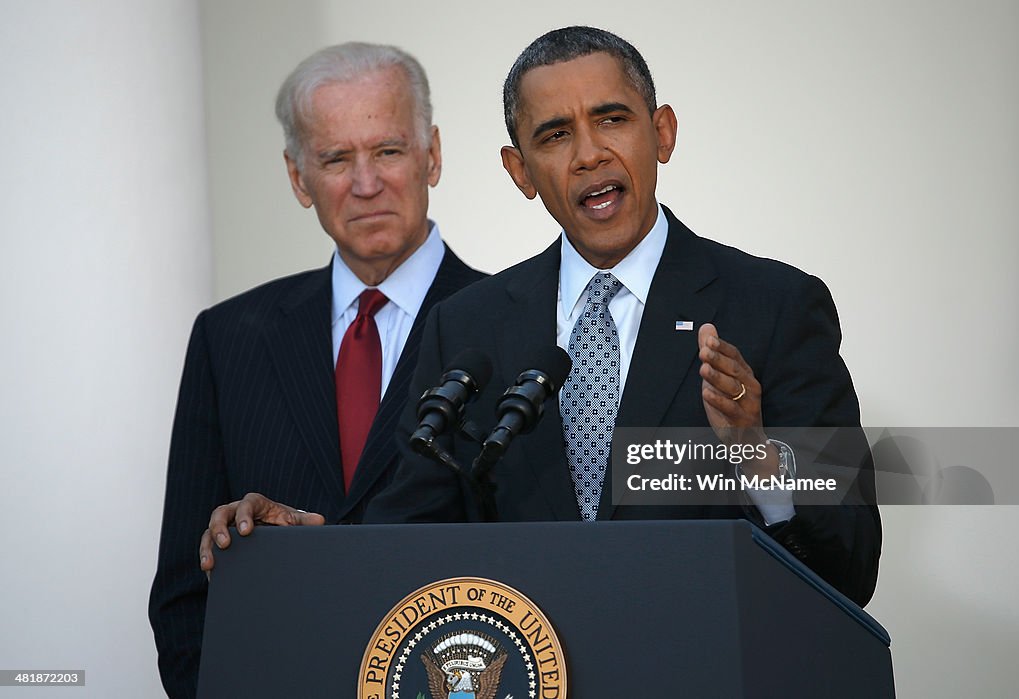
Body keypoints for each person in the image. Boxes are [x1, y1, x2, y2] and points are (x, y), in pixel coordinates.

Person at [211, 27, 881, 606]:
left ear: (664, 132)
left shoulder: (775, 307)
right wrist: (301, 543)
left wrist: (755, 455)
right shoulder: (467, 327)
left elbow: (851, 565)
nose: (588, 153)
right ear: (520, 170)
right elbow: (407, 538)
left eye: (612, 119)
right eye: (555, 135)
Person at [148, 42, 485, 698]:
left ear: (432, 155)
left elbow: (545, 558)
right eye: (336, 158)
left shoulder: (514, 327)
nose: (366, 183)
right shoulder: (227, 339)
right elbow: (184, 591)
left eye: (388, 150)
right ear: (299, 178)